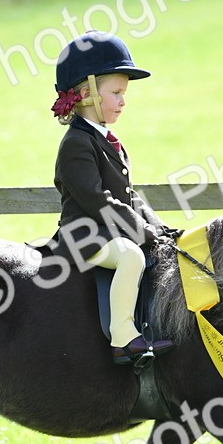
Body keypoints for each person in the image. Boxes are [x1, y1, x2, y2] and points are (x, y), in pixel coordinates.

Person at [47, 31, 174, 365]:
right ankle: (123, 337)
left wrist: (162, 229)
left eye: (124, 93)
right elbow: (98, 200)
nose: (123, 101)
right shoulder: (76, 143)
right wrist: (142, 232)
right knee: (131, 255)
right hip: (83, 235)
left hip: (108, 230)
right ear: (87, 94)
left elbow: (131, 198)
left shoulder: (107, 139)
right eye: (116, 93)